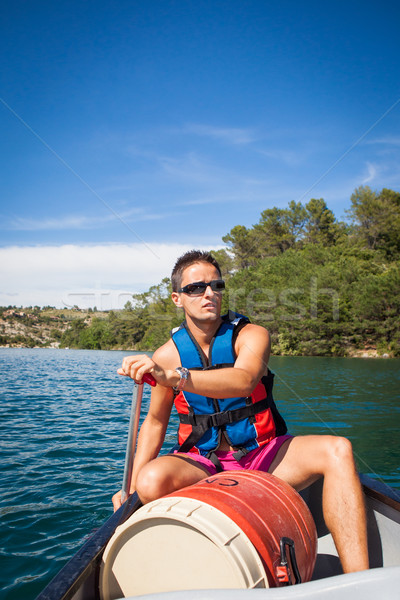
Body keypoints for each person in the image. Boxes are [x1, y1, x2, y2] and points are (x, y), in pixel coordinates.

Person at [112, 250, 369, 574]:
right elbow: (155, 422)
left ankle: (361, 581)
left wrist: (176, 376)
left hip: (264, 455)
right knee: (150, 481)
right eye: (195, 288)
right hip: (204, 464)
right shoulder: (166, 354)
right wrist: (131, 491)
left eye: (215, 285)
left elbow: (244, 381)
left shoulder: (251, 336)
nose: (208, 293)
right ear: (177, 298)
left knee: (338, 450)